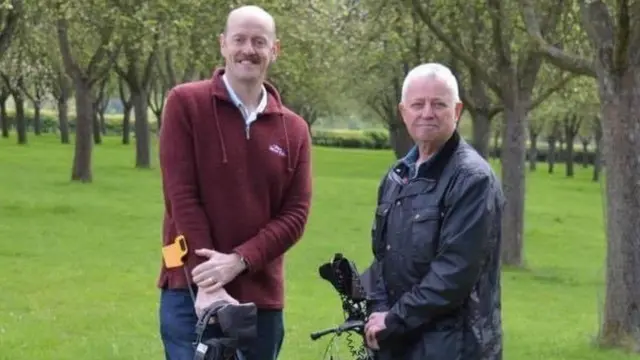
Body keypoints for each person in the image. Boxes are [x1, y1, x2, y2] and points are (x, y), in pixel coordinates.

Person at [157, 5, 312, 360]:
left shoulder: (295, 130)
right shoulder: (184, 103)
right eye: (239, 39)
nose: (248, 49)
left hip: (261, 296)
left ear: (275, 50)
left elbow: (295, 215)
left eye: (260, 41)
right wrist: (208, 280)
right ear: (223, 44)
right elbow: (180, 195)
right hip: (189, 290)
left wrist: (239, 261)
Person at [363, 63, 505, 360]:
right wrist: (376, 309)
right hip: (398, 343)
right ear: (404, 112)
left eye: (438, 104)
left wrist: (393, 319)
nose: (427, 112)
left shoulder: (472, 179)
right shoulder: (397, 175)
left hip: (452, 347)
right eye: (418, 104)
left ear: (457, 111)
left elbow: (453, 274)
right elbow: (382, 258)